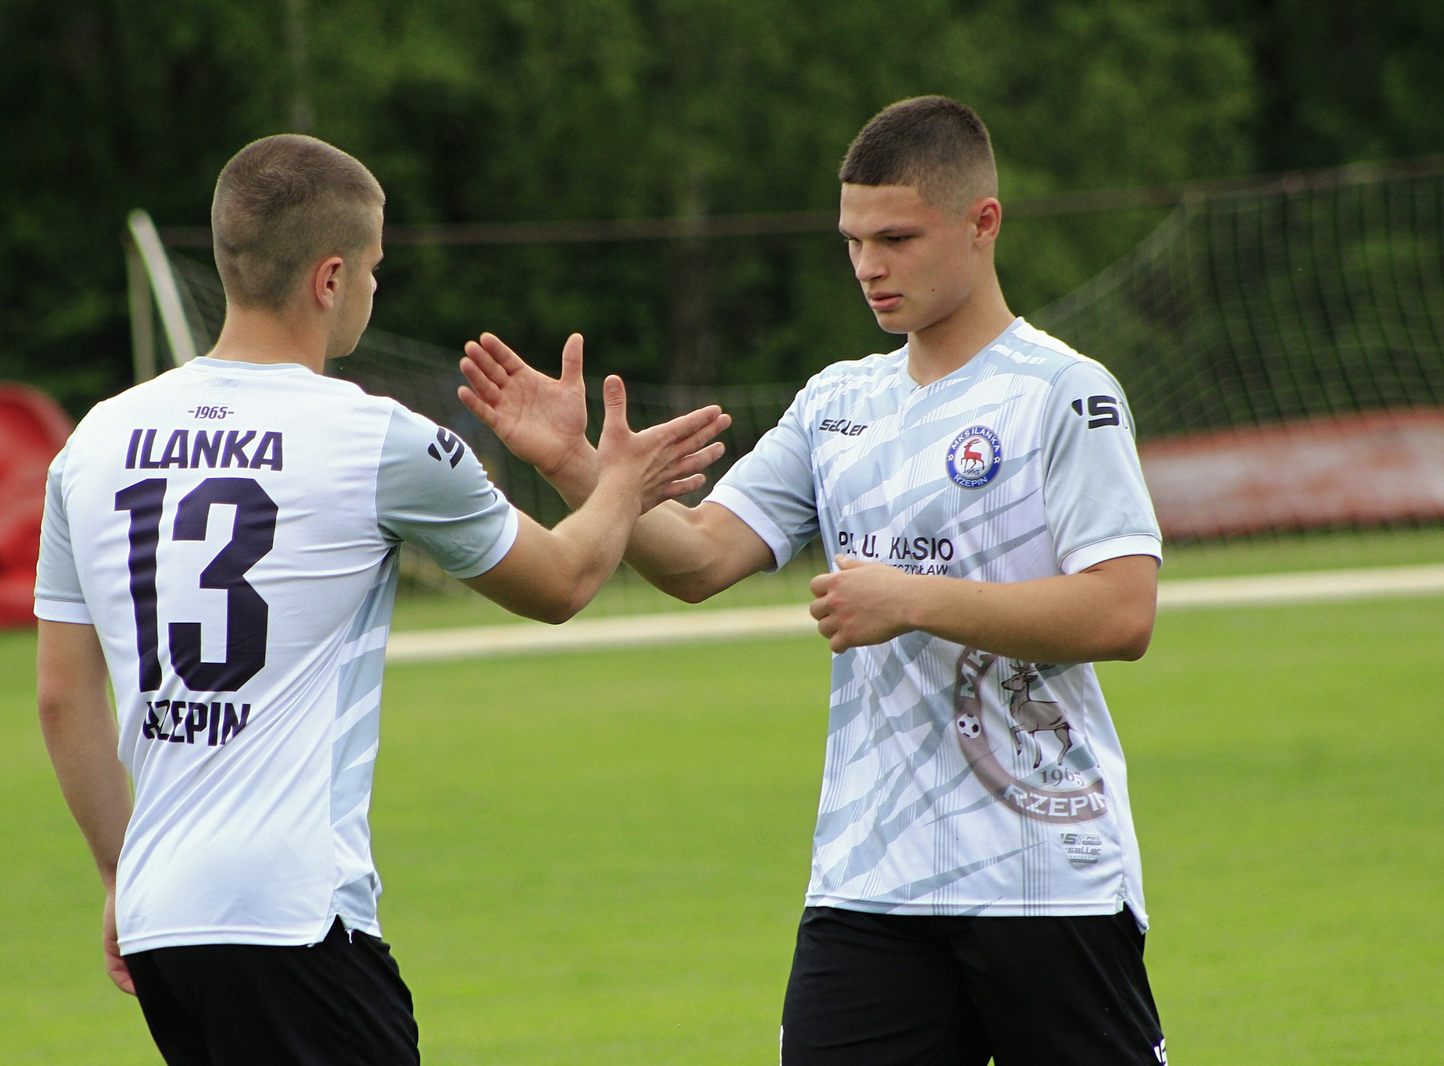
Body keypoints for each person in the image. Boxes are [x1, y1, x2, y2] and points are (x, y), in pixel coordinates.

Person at [458, 96, 1167, 1065]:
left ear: (983, 223)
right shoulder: (837, 402)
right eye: (853, 241)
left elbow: (1123, 609)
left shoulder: (1063, 393)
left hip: (1043, 875)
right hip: (867, 879)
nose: (869, 265)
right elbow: (701, 556)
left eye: (896, 239)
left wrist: (909, 599)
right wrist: (582, 469)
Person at [35, 133, 730, 1065]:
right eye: (373, 269)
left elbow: (62, 695)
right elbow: (563, 581)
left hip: (163, 921)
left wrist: (121, 872)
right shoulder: (376, 439)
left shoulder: (93, 441)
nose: (373, 287)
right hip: (294, 918)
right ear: (330, 278)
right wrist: (615, 479)